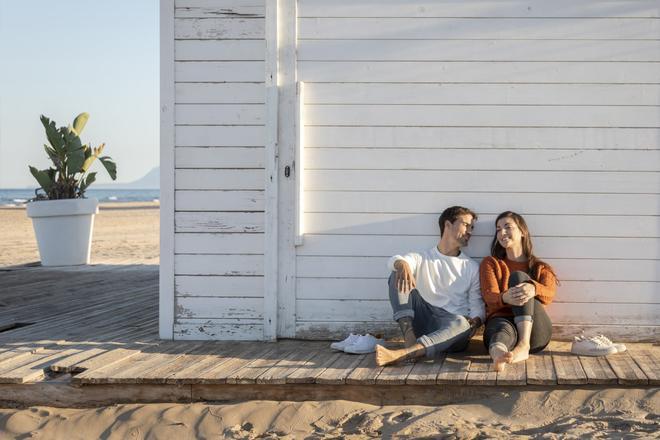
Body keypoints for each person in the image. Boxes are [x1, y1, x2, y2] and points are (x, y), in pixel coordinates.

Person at [376, 206, 485, 366]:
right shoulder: (422, 257)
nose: (470, 231)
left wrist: (475, 322)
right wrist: (400, 263)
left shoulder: (471, 267)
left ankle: (404, 354)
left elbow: (477, 306)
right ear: (448, 225)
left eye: (472, 227)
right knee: (397, 273)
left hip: (451, 330)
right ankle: (409, 338)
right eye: (466, 225)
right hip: (423, 321)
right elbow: (394, 260)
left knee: (462, 324)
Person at [480, 211, 558, 372]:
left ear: (523, 231)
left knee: (519, 278)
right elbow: (489, 296)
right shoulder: (491, 263)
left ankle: (523, 344)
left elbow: (550, 293)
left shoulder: (540, 267)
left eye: (507, 227)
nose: (502, 233)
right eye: (498, 229)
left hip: (535, 333)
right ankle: (499, 355)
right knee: (500, 329)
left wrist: (533, 288)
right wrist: (505, 298)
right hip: (502, 321)